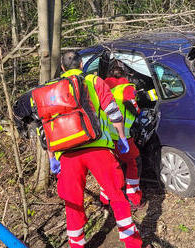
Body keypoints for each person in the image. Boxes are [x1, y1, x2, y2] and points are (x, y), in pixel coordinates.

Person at [49, 51, 146, 248]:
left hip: (67, 153)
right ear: (82, 64)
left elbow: (47, 126)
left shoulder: (53, 88)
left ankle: (77, 244)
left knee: (72, 202)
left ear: (62, 68)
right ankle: (132, 242)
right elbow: (113, 112)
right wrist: (120, 137)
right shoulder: (94, 81)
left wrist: (52, 156)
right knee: (117, 196)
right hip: (97, 147)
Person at [99, 60, 143, 209]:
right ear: (125, 73)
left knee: (110, 169)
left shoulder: (100, 87)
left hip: (104, 139)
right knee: (134, 163)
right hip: (122, 137)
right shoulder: (127, 89)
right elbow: (135, 110)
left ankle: (105, 200)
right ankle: (134, 198)